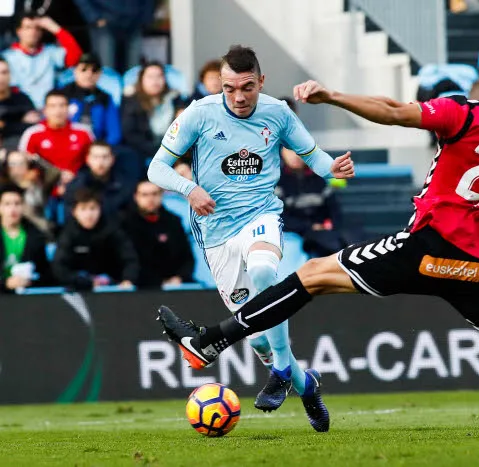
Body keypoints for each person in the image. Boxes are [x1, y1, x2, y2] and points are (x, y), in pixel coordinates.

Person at [158, 32, 479, 433]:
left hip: (427, 245)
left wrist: (332, 95)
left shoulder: (466, 112)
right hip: (476, 264)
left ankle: (209, 341)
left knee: (311, 275)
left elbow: (392, 111)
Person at [147, 45, 355, 432]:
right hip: (215, 232)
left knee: (264, 271)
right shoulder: (198, 113)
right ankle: (305, 385)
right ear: (220, 85)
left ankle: (279, 370)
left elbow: (315, 158)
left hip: (261, 216)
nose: (239, 97)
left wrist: (334, 167)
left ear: (261, 82)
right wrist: (188, 189)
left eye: (247, 87)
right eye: (230, 88)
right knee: (256, 336)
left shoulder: (277, 112)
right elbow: (155, 169)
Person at [52, 188, 138, 291]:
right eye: (83, 209)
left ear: (100, 209)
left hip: (112, 288)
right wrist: (85, 281)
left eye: (93, 208)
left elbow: (129, 258)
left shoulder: (112, 230)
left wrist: (128, 279)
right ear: (74, 212)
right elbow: (59, 267)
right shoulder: (68, 234)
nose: (89, 214)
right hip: (78, 289)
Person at [121, 180, 194, 288]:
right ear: (136, 197)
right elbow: (129, 260)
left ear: (161, 195)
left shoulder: (173, 221)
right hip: (139, 285)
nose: (150, 199)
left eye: (155, 194)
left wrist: (180, 277)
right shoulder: (125, 223)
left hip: (173, 284)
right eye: (145, 195)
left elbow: (187, 256)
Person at [2, 13, 82, 108]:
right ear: (19, 31)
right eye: (28, 27)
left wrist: (55, 28)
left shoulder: (50, 52)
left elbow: (76, 57)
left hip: (49, 110)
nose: (33, 32)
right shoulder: (7, 56)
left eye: (37, 28)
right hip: (20, 110)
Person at [121, 62, 185, 165]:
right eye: (150, 77)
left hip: (173, 151)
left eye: (159, 76)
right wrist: (164, 154)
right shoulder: (131, 101)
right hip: (143, 154)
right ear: (141, 79)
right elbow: (131, 135)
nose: (155, 81)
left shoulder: (175, 99)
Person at [72, 0, 155, 72]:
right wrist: (94, 16)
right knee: (106, 69)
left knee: (133, 70)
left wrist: (145, 17)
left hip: (134, 21)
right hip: (105, 20)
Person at [0, 183, 51, 293]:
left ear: (23, 206)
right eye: (7, 204)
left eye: (17, 203)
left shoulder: (35, 235)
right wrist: (6, 283)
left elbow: (46, 273)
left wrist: (31, 281)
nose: (13, 209)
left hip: (27, 297)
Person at [63, 53, 121, 146]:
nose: (89, 74)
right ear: (75, 71)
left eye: (94, 70)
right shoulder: (62, 95)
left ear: (100, 73)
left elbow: (114, 133)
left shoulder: (105, 98)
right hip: (66, 146)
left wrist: (101, 149)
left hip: (96, 151)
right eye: (84, 69)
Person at [64, 141, 134, 217]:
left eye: (105, 157)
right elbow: (70, 217)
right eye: (95, 157)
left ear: (112, 159)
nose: (100, 162)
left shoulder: (124, 184)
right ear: (88, 159)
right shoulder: (75, 186)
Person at [1, 150, 58, 234]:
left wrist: (36, 159)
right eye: (13, 164)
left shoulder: (38, 183)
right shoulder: (3, 184)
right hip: (8, 231)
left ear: (28, 165)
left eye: (21, 163)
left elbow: (55, 172)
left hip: (38, 230)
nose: (18, 167)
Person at [0, 57, 40, 149]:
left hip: (16, 148)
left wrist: (5, 125)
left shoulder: (22, 99)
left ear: (10, 75)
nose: (1, 77)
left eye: (4, 72)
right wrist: (19, 120)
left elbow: (33, 126)